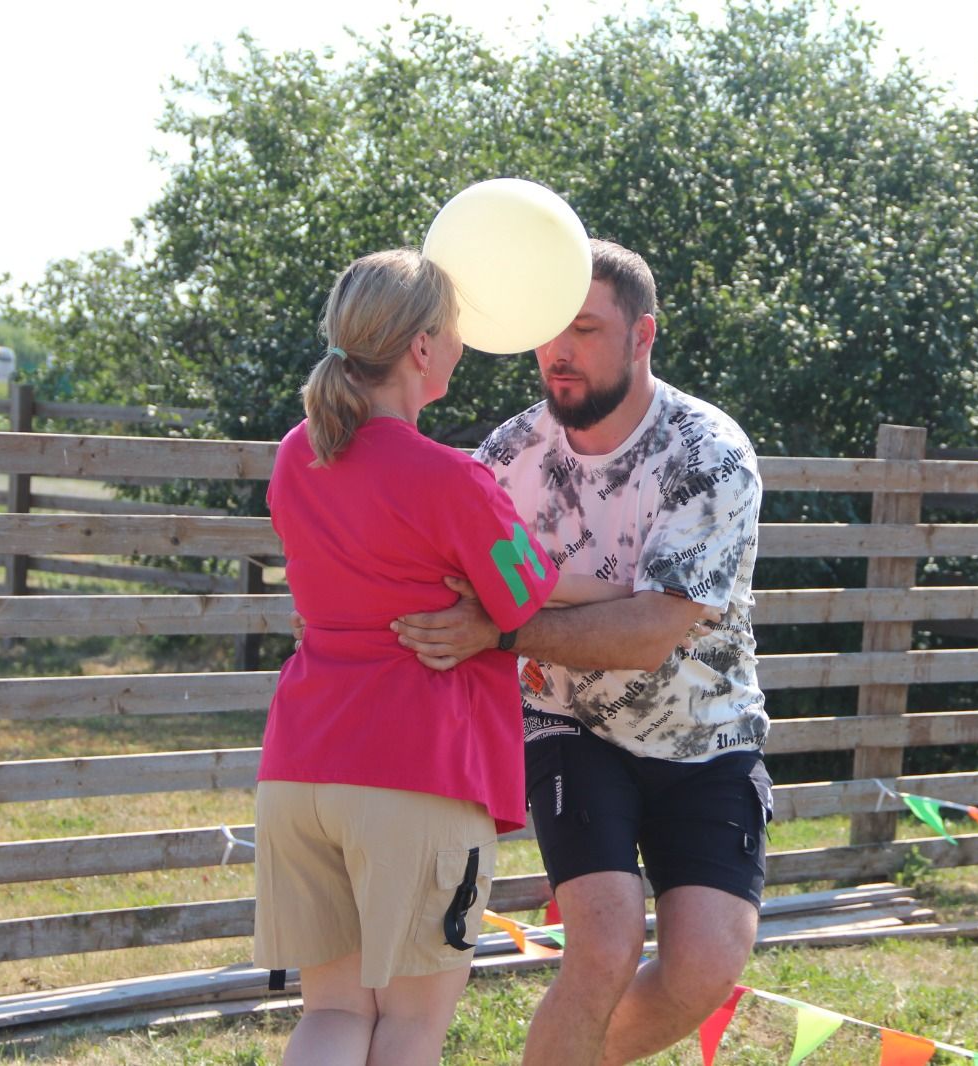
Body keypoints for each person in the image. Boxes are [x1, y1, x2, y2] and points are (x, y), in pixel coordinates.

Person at [390, 239, 770, 1066]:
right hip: (565, 722)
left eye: (587, 330)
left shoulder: (706, 454)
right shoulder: (507, 456)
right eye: (549, 331)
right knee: (601, 944)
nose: (559, 352)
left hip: (707, 733)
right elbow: (447, 582)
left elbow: (648, 634)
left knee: (705, 966)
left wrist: (505, 625)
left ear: (643, 336)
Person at [254, 248, 622, 1065]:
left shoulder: (294, 454)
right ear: (421, 347)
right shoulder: (451, 478)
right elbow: (523, 598)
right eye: (454, 329)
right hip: (413, 767)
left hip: (300, 764)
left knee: (335, 1014)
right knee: (413, 1025)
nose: (462, 343)